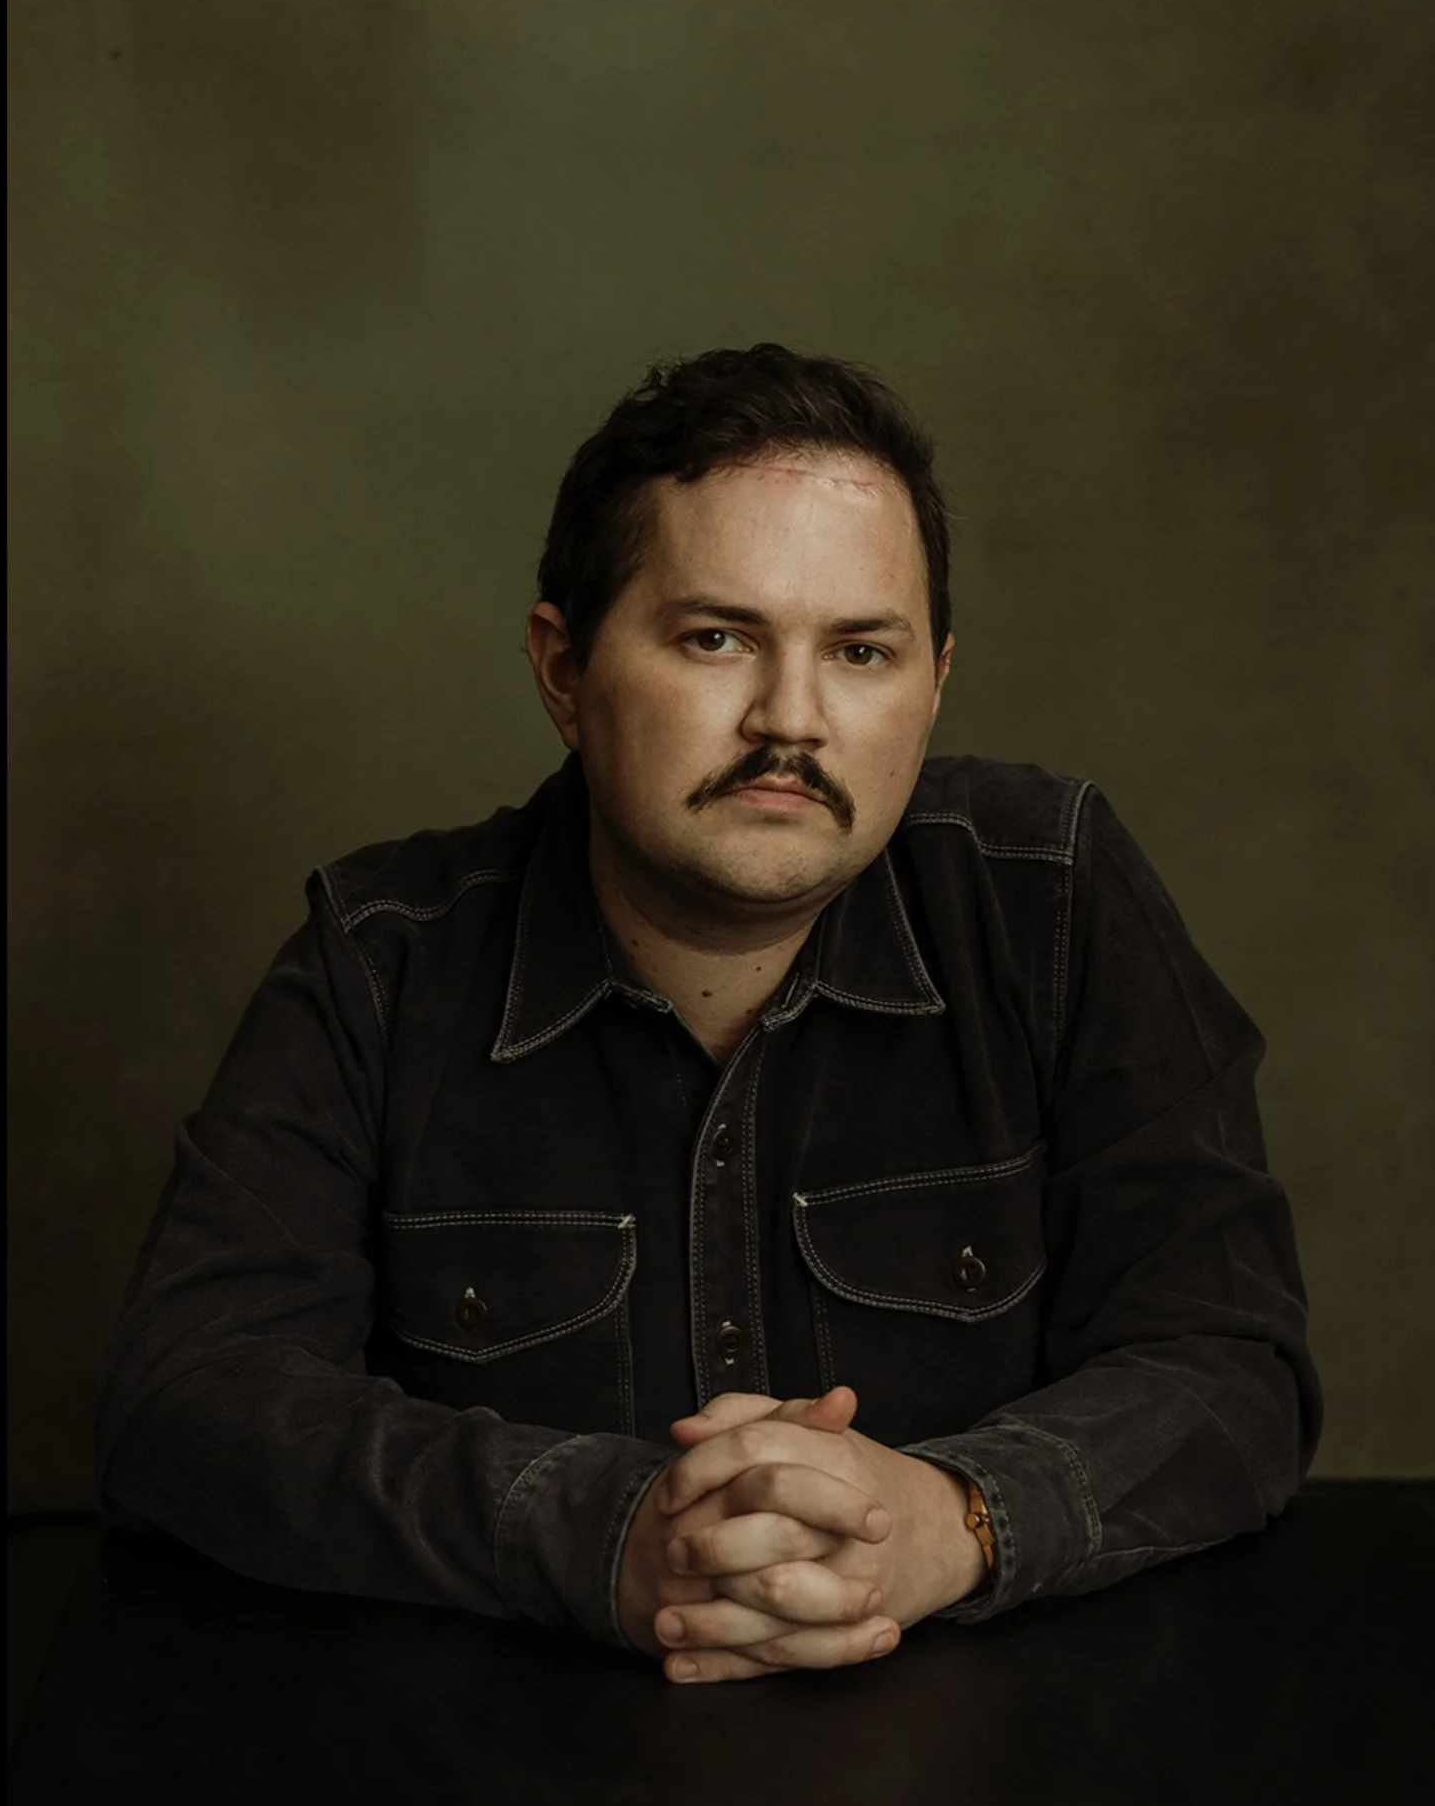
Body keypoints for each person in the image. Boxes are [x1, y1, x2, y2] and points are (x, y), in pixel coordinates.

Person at [94, 343, 1321, 1687]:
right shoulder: (384, 962)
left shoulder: (1054, 898)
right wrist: (612, 1535)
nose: (790, 720)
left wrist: (956, 1519)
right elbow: (186, 1400)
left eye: (861, 650)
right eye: (717, 637)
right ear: (565, 670)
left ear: (936, 682)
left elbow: (1229, 1362)